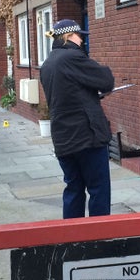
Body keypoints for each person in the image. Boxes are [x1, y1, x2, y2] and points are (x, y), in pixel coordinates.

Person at [40, 19, 115, 218]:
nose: (82, 40)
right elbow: (106, 80)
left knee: (73, 189)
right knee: (98, 189)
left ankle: (72, 240)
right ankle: (98, 238)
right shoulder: (72, 57)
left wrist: (90, 96)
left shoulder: (48, 63)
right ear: (69, 36)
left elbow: (67, 94)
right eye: (79, 35)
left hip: (63, 138)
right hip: (86, 137)